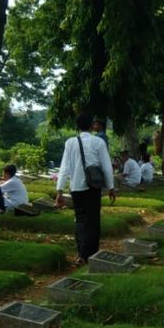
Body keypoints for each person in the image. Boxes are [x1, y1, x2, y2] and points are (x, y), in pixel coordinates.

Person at [55, 112, 116, 264]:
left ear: (77, 126)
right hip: (93, 186)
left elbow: (64, 167)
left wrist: (59, 190)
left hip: (76, 187)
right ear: (91, 125)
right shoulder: (98, 142)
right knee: (93, 220)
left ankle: (81, 254)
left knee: (80, 220)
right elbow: (106, 166)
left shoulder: (70, 142)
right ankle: (91, 254)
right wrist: (111, 187)